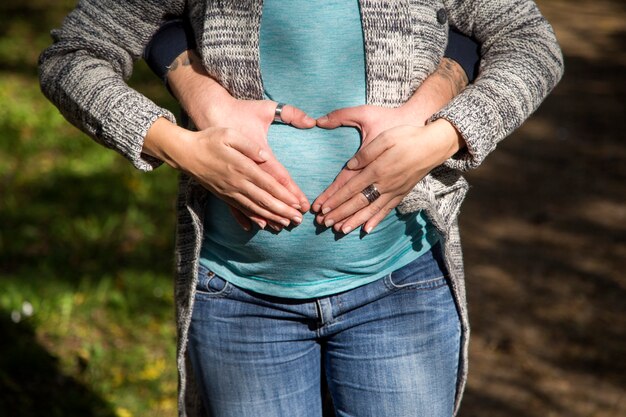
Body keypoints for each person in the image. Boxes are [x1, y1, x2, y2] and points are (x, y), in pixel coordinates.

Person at [39, 1, 563, 416]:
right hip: (239, 298)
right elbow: (72, 57)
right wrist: (183, 148)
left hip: (400, 287)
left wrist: (441, 139)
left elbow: (530, 43)